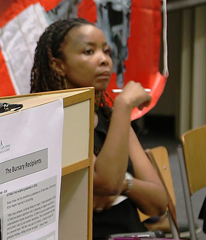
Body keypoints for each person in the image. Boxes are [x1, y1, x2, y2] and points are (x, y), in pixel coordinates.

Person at [30, 18, 167, 239]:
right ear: (58, 64)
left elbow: (159, 204)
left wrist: (126, 184)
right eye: (88, 52)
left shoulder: (110, 117)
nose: (104, 60)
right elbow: (107, 182)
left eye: (106, 52)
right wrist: (123, 106)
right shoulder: (52, 120)